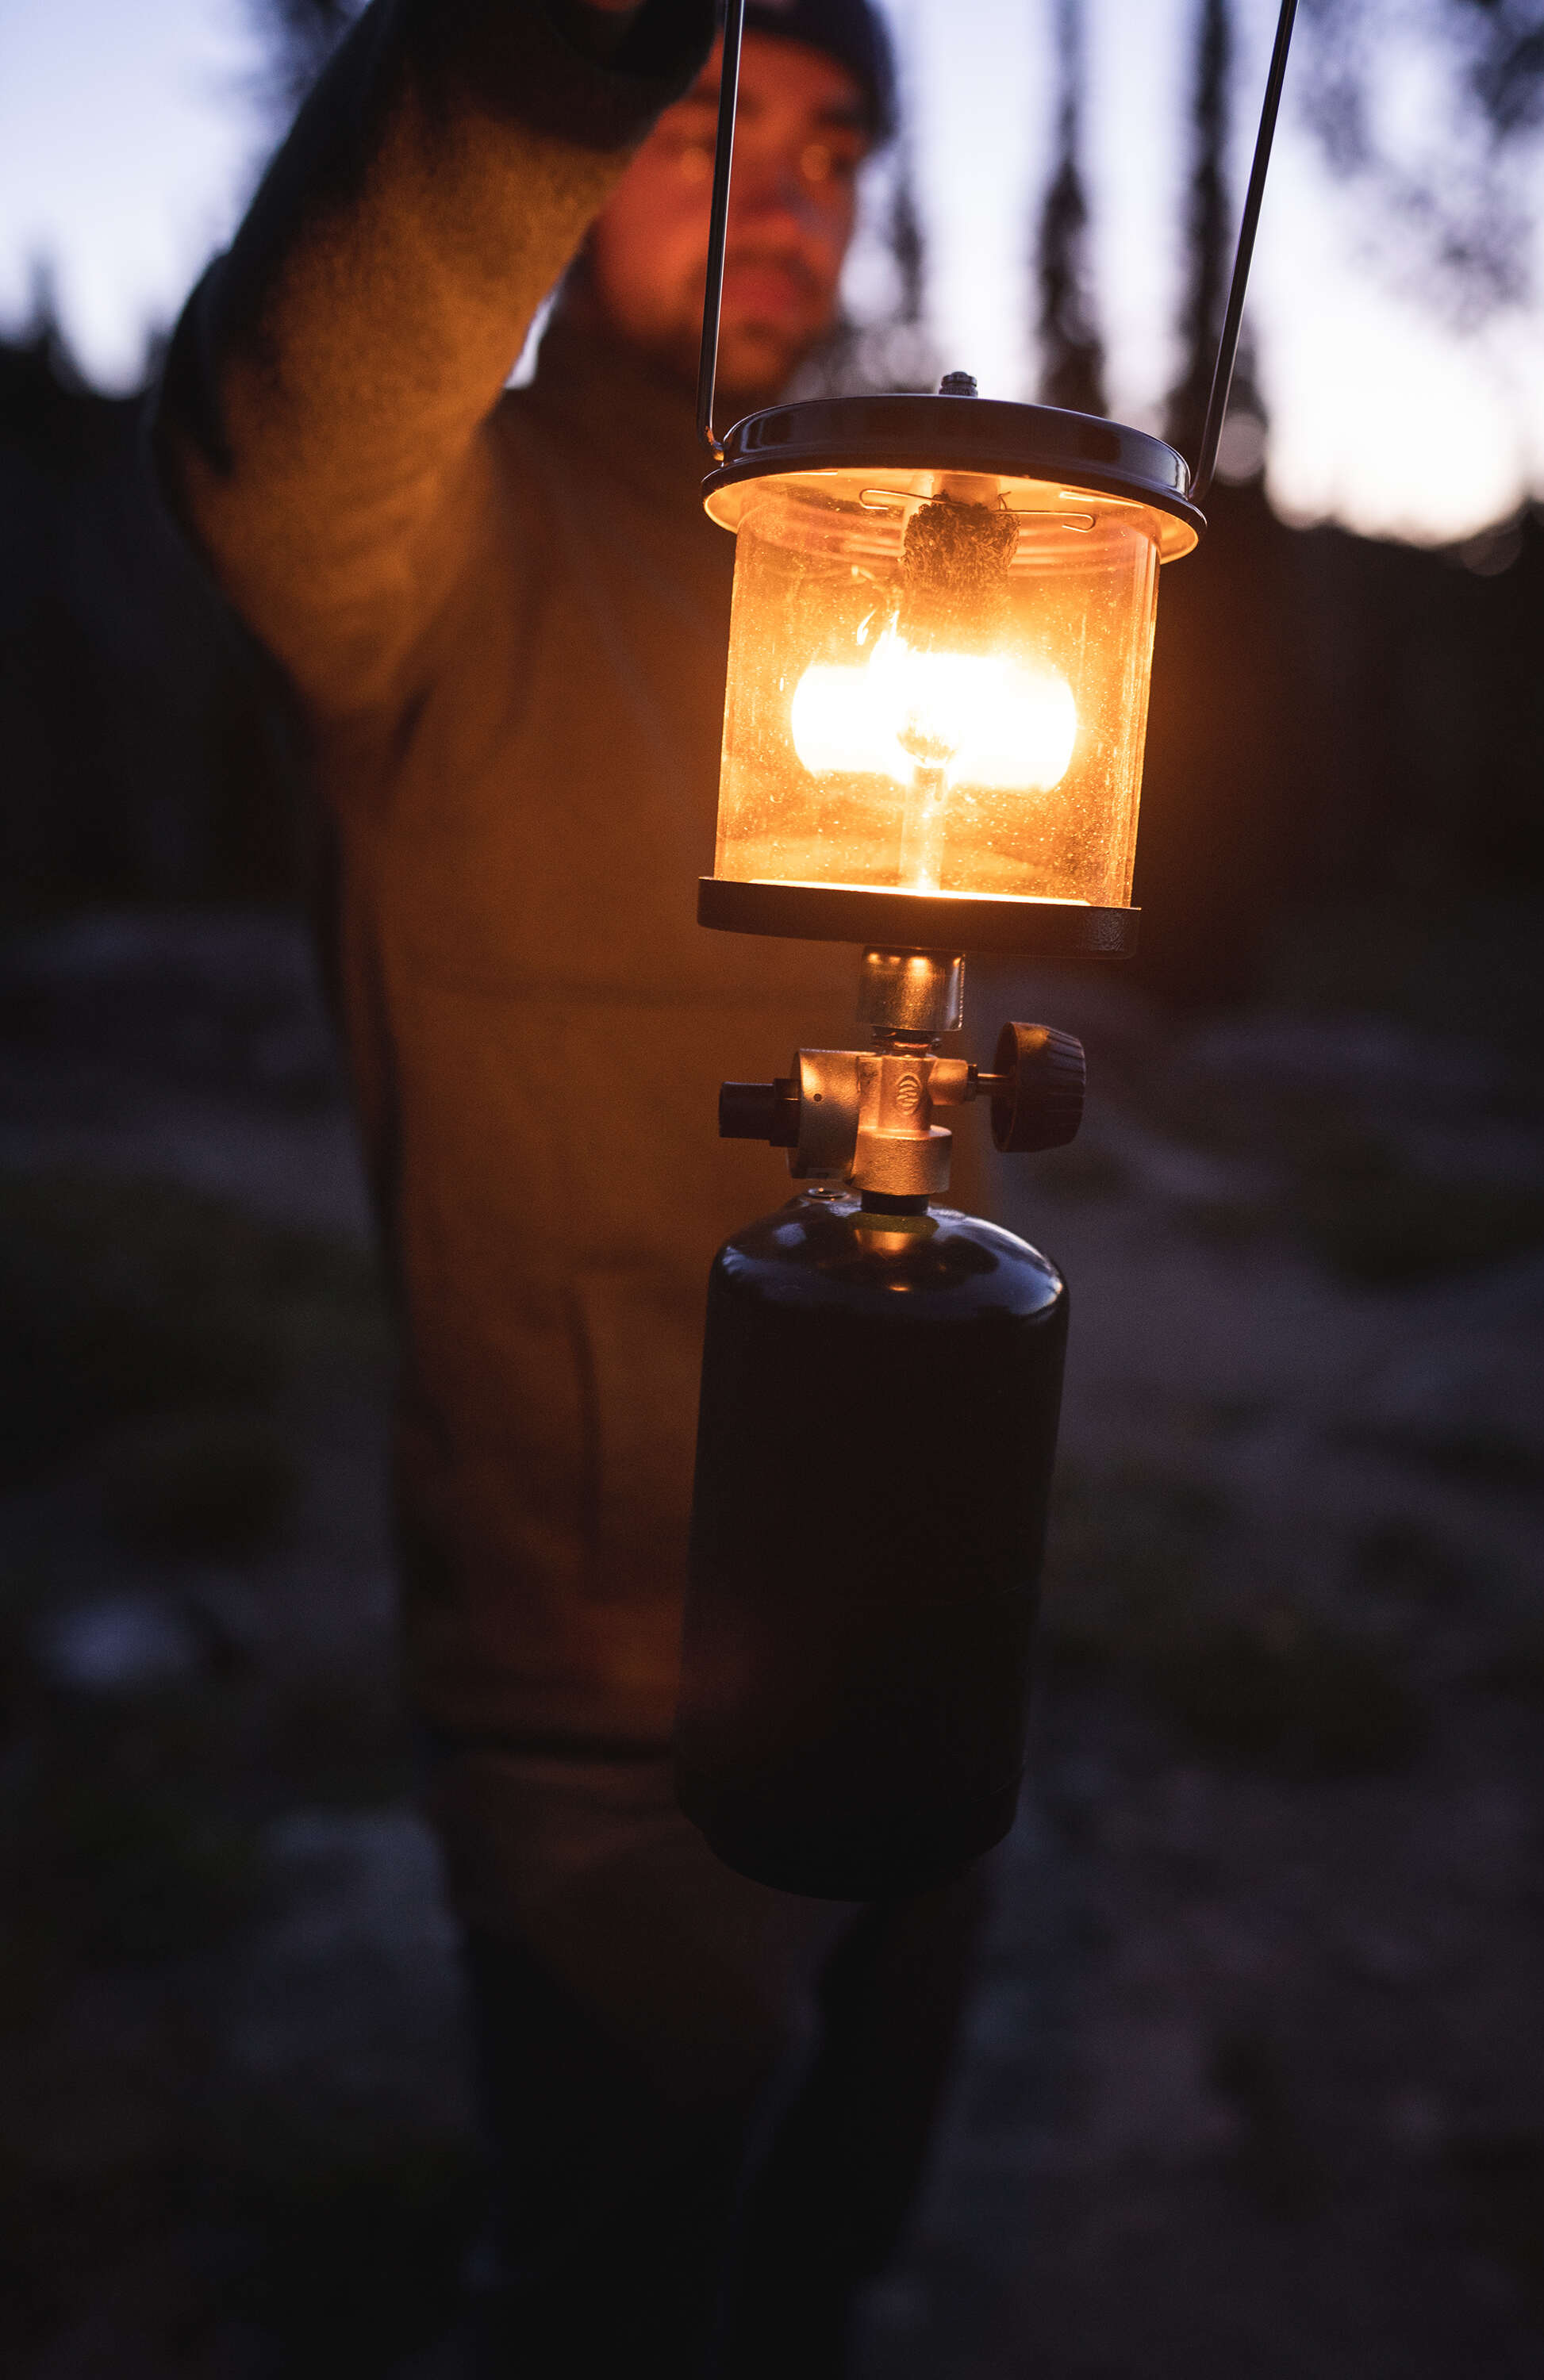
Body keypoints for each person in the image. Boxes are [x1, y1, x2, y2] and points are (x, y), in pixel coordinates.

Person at [154, 3, 985, 2371]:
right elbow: (278, 429)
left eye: (829, 144)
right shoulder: (439, 547)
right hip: (598, 1670)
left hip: (925, 1612)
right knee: (617, 2280)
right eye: (710, 121)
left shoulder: (876, 591)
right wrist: (563, 37)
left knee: (835, 2239)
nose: (785, 191)